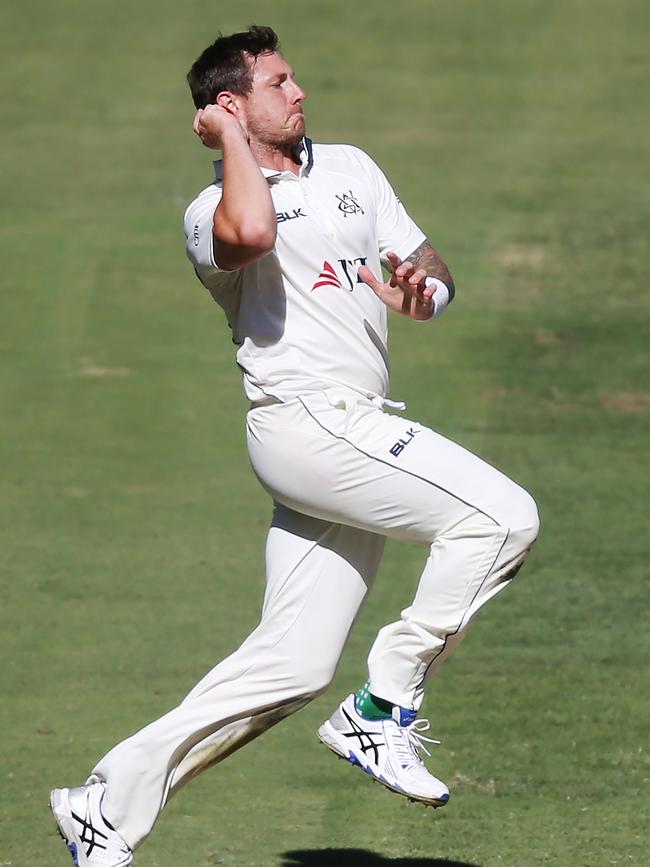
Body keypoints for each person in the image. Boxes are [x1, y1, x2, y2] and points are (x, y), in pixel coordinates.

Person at [50, 25, 539, 866]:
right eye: (277, 83)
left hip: (351, 425)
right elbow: (255, 233)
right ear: (231, 107)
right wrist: (235, 141)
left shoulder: (352, 166)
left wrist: (428, 296)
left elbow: (426, 261)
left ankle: (103, 804)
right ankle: (383, 709)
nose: (300, 91)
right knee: (503, 517)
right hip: (309, 424)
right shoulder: (208, 213)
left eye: (295, 78)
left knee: (294, 662)